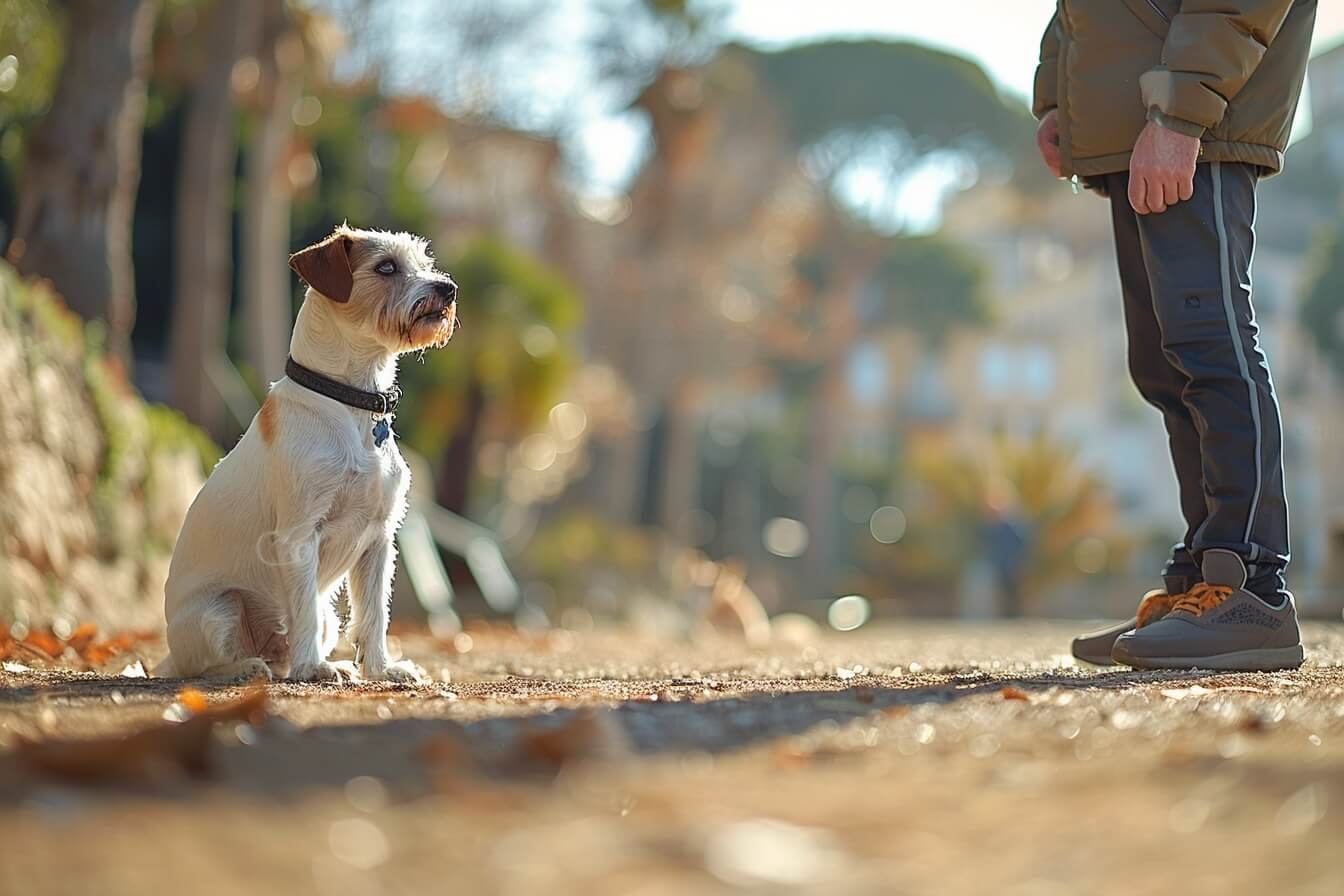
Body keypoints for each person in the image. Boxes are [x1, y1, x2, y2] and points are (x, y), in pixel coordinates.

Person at [1032, 1, 1317, 670]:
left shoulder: (1186, 115)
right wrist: (1059, 98)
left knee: (1210, 345)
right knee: (1163, 363)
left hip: (1197, 122)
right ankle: (1201, 584)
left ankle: (1250, 587)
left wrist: (1181, 111)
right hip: (1132, 121)